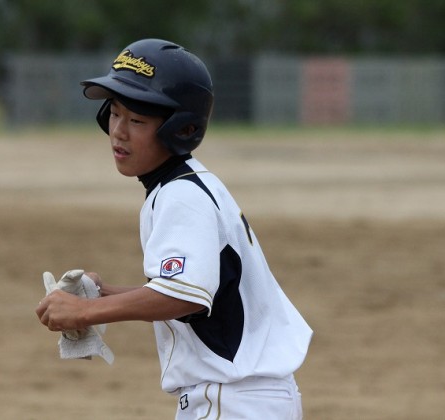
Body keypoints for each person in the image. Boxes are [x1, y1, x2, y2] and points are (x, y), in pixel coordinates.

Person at [36, 38, 313, 419]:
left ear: (180, 129)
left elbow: (186, 297)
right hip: (247, 398)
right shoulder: (188, 185)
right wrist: (103, 296)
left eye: (136, 120)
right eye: (115, 113)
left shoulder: (180, 196)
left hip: (231, 400)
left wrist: (85, 312)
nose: (119, 131)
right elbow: (196, 292)